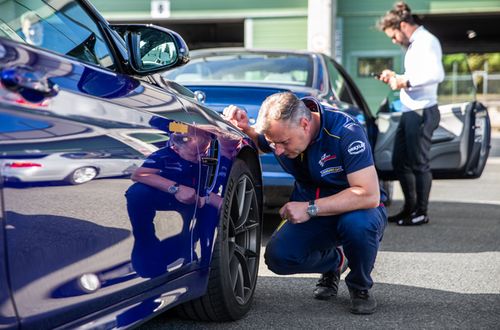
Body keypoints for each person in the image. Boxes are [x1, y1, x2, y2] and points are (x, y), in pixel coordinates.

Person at [223, 92, 387, 315]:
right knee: (278, 257)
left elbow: (368, 194)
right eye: (273, 143)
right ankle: (336, 262)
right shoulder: (283, 131)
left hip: (356, 209)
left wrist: (310, 207)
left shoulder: (346, 132)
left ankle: (360, 286)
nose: (277, 150)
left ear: (305, 124)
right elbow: (258, 141)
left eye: (282, 143)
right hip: (315, 213)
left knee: (358, 226)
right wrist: (243, 127)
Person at [377, 1, 444, 226]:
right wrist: (395, 76)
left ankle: (421, 212)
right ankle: (409, 209)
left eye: (393, 36)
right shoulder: (415, 44)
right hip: (410, 110)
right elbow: (417, 74)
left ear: (403, 25)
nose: (394, 41)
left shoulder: (426, 41)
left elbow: (436, 74)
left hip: (423, 110)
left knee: (419, 163)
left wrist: (405, 80)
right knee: (399, 162)